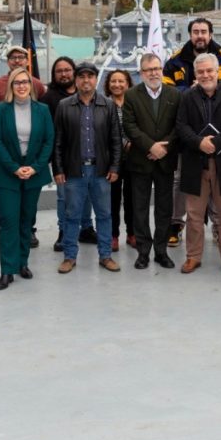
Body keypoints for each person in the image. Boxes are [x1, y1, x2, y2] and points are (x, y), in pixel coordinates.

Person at [162, 17, 221, 248]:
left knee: (218, 181)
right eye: (196, 31)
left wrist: (217, 89)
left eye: (204, 31)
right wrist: (189, 91)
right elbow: (166, 90)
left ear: (210, 34)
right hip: (187, 132)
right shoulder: (176, 60)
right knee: (180, 180)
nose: (200, 35)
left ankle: (218, 227)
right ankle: (176, 224)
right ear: (190, 35)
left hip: (219, 135)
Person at [175, 53, 221, 275]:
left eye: (209, 71)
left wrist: (215, 143)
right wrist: (199, 143)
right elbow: (181, 126)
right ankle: (193, 256)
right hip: (196, 162)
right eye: (201, 72)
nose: (205, 75)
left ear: (217, 72)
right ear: (195, 74)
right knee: (194, 214)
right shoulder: (187, 97)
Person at [53, 62, 122, 274]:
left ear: (96, 80)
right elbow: (58, 142)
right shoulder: (65, 105)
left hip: (101, 171)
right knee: (71, 215)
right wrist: (58, 169)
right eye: (81, 76)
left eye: (90, 76)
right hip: (74, 171)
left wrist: (115, 166)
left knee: (104, 214)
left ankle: (105, 256)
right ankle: (69, 256)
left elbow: (116, 141)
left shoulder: (107, 105)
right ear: (76, 80)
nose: (86, 80)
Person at [0, 67, 54, 290]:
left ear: (31, 84)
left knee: (27, 220)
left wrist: (35, 168)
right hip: (7, 174)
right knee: (9, 221)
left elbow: (48, 141)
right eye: (17, 82)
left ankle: (23, 263)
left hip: (33, 174)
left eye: (25, 82)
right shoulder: (1, 109)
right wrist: (14, 167)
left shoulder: (42, 110)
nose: (21, 86)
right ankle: (7, 269)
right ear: (11, 86)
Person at [122, 53, 181, 270]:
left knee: (164, 208)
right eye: (148, 70)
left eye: (157, 68)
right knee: (140, 208)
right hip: (141, 161)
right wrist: (151, 146)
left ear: (162, 69)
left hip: (165, 161)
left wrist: (163, 147)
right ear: (141, 73)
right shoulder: (131, 95)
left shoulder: (175, 95)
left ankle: (161, 251)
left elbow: (179, 126)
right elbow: (129, 126)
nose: (153, 73)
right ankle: (143, 252)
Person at [39, 56, 94, 251]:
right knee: (64, 196)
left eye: (67, 70)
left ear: (75, 72)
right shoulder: (48, 98)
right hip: (63, 156)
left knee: (87, 193)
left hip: (88, 155)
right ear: (54, 75)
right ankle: (64, 232)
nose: (64, 74)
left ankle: (86, 228)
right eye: (59, 71)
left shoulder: (87, 94)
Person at [104, 69, 134, 252]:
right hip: (111, 160)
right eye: (113, 81)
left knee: (132, 199)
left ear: (128, 83)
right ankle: (113, 236)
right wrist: (124, 143)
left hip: (133, 160)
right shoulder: (103, 104)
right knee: (112, 201)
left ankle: (132, 233)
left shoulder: (135, 103)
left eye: (121, 81)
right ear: (108, 85)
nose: (117, 84)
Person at [0, 46, 47, 116]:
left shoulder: (37, 84)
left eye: (21, 57)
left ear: (27, 61)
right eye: (12, 58)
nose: (17, 61)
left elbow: (44, 112)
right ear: (8, 62)